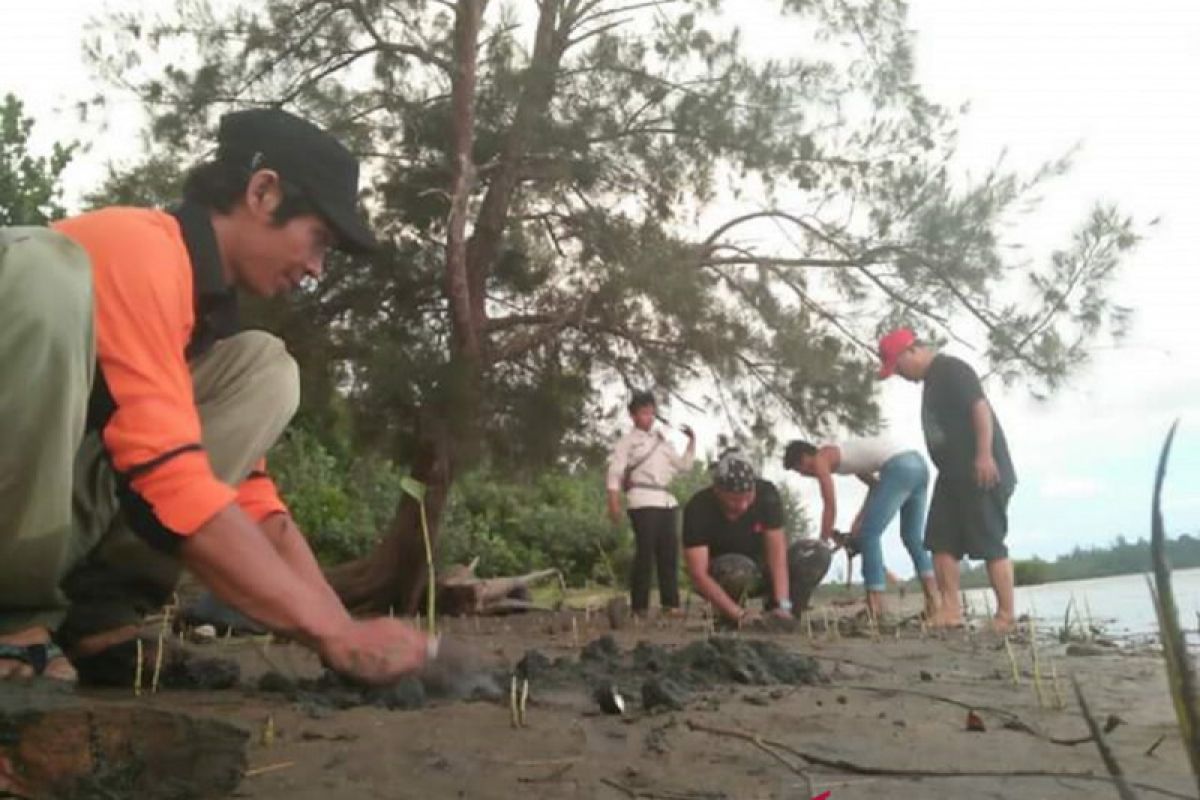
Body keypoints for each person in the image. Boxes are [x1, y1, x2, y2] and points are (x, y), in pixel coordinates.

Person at [0, 108, 431, 685]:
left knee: (265, 369)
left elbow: (245, 500)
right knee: (43, 277)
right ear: (263, 192)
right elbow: (170, 481)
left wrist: (341, 630)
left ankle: (95, 613)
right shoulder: (141, 249)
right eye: (318, 238)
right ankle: (12, 617)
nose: (315, 268)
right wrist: (329, 633)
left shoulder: (198, 317)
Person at [877, 328, 1018, 632]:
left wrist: (983, 455)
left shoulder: (951, 369)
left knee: (989, 540)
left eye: (898, 368)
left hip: (982, 469)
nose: (899, 375)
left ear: (910, 352)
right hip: (952, 475)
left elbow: (979, 408)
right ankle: (950, 610)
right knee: (940, 541)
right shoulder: (931, 381)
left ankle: (1006, 615)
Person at [783, 436, 938, 619]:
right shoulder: (848, 458)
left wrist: (822, 543)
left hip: (899, 467)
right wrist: (859, 519)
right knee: (912, 537)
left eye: (801, 470)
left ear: (804, 457)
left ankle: (875, 607)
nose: (807, 474)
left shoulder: (821, 458)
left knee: (869, 536)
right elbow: (875, 486)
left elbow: (830, 505)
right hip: (918, 465)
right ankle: (934, 603)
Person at [682, 450, 830, 624]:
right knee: (736, 567)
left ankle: (784, 613)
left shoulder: (767, 494)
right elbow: (698, 574)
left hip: (763, 571)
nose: (743, 506)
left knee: (816, 552)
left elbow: (778, 555)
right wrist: (739, 614)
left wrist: (783, 604)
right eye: (734, 501)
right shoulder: (698, 508)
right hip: (728, 574)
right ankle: (729, 615)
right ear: (718, 491)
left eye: (747, 498)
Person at [606, 391, 695, 616]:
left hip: (665, 501)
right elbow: (615, 473)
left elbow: (683, 466)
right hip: (642, 501)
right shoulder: (627, 443)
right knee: (645, 553)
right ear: (634, 415)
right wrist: (614, 502)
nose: (649, 417)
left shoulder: (662, 441)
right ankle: (639, 606)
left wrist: (692, 442)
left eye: (652, 413)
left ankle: (670, 604)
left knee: (668, 553)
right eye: (644, 413)